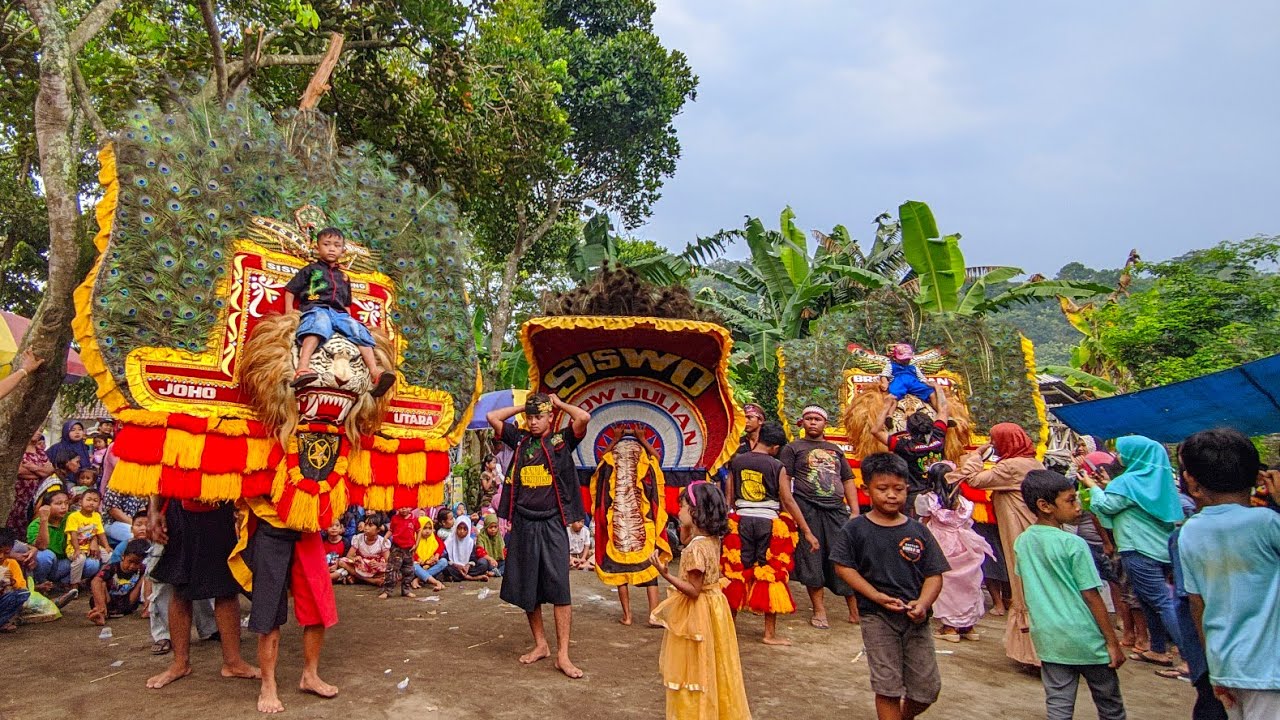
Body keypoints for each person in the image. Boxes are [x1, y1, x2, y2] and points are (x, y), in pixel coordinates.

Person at [832, 452, 949, 720]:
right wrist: (875, 596)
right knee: (888, 687)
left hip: (915, 619)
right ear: (867, 489)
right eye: (882, 489)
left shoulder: (918, 530)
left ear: (907, 488)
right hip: (877, 617)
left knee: (927, 690)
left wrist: (923, 603)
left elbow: (935, 574)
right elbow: (843, 567)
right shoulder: (856, 529)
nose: (891, 495)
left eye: (898, 489)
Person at [487, 392, 591, 679]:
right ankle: (541, 645)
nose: (533, 422)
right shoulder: (519, 440)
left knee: (560, 587)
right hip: (523, 522)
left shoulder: (561, 441)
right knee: (527, 586)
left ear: (549, 418)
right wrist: (526, 404)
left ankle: (563, 655)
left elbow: (582, 417)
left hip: (552, 524)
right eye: (530, 417)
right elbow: (492, 418)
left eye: (539, 417)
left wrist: (557, 404)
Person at [1178, 428, 1280, 720]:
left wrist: (1213, 664)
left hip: (1225, 663)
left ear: (1192, 483)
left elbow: (1197, 604)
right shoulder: (1267, 522)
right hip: (1269, 668)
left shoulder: (1190, 531)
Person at [1015, 469, 1127, 720]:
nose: (1077, 507)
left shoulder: (1023, 541)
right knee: (1110, 705)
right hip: (1086, 636)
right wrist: (1111, 641)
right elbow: (1091, 595)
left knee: (1058, 705)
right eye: (1070, 500)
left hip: (1049, 636)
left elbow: (1027, 586)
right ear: (1045, 506)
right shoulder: (1073, 544)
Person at [649, 481, 751, 720]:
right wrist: (688, 527)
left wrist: (666, 574)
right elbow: (687, 542)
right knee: (715, 663)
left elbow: (694, 590)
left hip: (697, 610)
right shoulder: (711, 539)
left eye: (683, 506)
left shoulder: (695, 549)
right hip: (714, 606)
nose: (679, 511)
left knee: (694, 668)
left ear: (695, 512)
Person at [1079, 436, 1183, 667]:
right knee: (1148, 601)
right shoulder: (1159, 480)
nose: (1118, 457)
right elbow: (1133, 503)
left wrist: (1094, 488)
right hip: (1160, 547)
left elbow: (1105, 506)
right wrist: (1108, 487)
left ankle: (1189, 658)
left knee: (1159, 601)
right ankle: (1157, 649)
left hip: (1137, 547)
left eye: (1122, 453)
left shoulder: (1127, 482)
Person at [946, 422, 1045, 666]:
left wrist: (975, 455)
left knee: (1023, 583)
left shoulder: (1011, 467)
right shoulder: (1033, 463)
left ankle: (1033, 651)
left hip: (1018, 529)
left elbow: (972, 479)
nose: (993, 443)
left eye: (994, 439)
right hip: (1031, 529)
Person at [236, 496, 341, 714]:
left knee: (317, 605)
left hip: (307, 527)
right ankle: (268, 684)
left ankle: (310, 675)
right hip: (270, 527)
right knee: (268, 611)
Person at [144, 496, 259, 690]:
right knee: (180, 587)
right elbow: (160, 472)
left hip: (219, 509)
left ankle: (233, 662)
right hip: (179, 511)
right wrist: (153, 511)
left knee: (226, 587)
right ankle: (180, 664)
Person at [723, 421, 818, 645]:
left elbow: (728, 497)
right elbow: (787, 500)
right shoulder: (777, 466)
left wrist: (726, 522)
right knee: (770, 573)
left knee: (736, 572)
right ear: (775, 447)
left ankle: (729, 630)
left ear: (757, 439)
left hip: (740, 521)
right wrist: (806, 531)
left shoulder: (737, 461)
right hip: (769, 524)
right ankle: (769, 634)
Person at [284, 226, 394, 397]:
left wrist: (349, 321)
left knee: (359, 331)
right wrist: (289, 312)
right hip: (317, 308)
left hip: (340, 313)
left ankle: (375, 372)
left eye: (336, 245)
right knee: (318, 324)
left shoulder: (344, 277)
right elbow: (290, 290)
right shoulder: (310, 270)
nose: (331, 248)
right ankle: (303, 368)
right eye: (327, 244)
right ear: (317, 248)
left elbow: (347, 303)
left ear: (343, 250)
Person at [780, 405, 861, 628]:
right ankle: (819, 611)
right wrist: (789, 509)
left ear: (825, 423)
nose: (813, 422)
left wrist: (854, 511)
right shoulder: (793, 448)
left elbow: (847, 480)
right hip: (807, 509)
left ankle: (855, 611)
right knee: (812, 559)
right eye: (809, 419)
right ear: (802, 423)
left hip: (836, 510)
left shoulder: (835, 449)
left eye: (817, 419)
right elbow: (785, 480)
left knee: (844, 558)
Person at [590, 426, 668, 626]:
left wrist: (614, 439)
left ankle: (628, 616)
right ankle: (653, 615)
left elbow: (600, 464)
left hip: (617, 522)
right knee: (649, 571)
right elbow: (657, 460)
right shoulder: (643, 458)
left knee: (619, 572)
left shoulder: (610, 460)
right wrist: (643, 439)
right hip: (640, 521)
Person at [917, 462, 993, 642]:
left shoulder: (929, 500)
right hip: (965, 543)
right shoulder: (965, 503)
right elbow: (967, 523)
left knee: (946, 585)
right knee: (968, 583)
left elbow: (924, 523)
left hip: (940, 542)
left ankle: (950, 627)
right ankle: (968, 626)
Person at [874, 392, 950, 511]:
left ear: (908, 430)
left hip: (914, 497)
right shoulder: (938, 437)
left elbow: (876, 431)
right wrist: (937, 387)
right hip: (940, 493)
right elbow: (944, 409)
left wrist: (886, 405)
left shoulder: (904, 446)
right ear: (931, 425)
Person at [27, 489, 98, 587]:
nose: (64, 507)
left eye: (66, 503)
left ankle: (65, 583)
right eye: (58, 503)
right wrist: (44, 520)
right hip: (49, 564)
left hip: (68, 561)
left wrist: (94, 540)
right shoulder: (35, 525)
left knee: (92, 564)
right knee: (45, 556)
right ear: (47, 507)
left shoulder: (72, 517)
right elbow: (42, 546)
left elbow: (92, 528)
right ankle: (42, 584)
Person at [88, 538, 150, 625]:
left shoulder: (142, 569)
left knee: (147, 576)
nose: (132, 566)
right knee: (101, 582)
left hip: (128, 603)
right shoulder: (112, 567)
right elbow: (95, 581)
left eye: (136, 563)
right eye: (130, 561)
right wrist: (101, 606)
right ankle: (101, 613)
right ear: (123, 556)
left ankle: (147, 609)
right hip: (108, 603)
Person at [878, 343, 942, 413]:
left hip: (913, 382)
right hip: (899, 382)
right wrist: (885, 382)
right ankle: (889, 415)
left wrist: (927, 383)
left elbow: (921, 378)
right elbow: (884, 375)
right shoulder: (891, 366)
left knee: (931, 393)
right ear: (894, 358)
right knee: (892, 396)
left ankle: (940, 411)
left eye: (907, 359)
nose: (906, 361)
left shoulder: (913, 368)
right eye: (903, 359)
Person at [8, 432, 52, 531]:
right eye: (36, 429)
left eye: (40, 430)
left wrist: (32, 467)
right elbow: (19, 471)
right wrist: (40, 472)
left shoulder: (40, 452)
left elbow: (49, 471)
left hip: (35, 495)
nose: (39, 432)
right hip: (18, 495)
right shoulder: (17, 451)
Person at [379, 507, 418, 599]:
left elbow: (418, 531)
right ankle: (387, 591)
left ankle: (406, 590)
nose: (404, 509)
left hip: (409, 548)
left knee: (409, 570)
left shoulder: (414, 519)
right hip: (397, 547)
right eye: (401, 507)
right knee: (391, 569)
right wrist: (385, 537)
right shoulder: (395, 518)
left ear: (410, 508)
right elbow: (391, 530)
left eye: (406, 507)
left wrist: (416, 544)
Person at [339, 519, 389, 586]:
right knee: (341, 562)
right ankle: (371, 581)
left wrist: (379, 564)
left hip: (374, 567)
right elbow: (349, 556)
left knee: (393, 572)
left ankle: (358, 578)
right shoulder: (358, 538)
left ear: (378, 530)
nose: (366, 527)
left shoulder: (382, 541)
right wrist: (355, 558)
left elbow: (388, 561)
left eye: (370, 525)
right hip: (361, 565)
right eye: (365, 524)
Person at [443, 515, 494, 581]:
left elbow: (473, 558)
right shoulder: (449, 541)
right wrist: (457, 566)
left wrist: (468, 565)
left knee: (484, 563)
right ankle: (472, 577)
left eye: (465, 529)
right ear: (456, 528)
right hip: (454, 567)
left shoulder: (470, 542)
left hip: (467, 568)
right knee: (445, 567)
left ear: (469, 530)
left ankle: (460, 576)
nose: (462, 531)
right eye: (459, 528)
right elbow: (445, 558)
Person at [0, 529, 31, 633]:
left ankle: (3, 621)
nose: (1, 556)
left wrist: (12, 581)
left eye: (6, 552)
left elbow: (21, 585)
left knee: (23, 594)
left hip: (5, 599)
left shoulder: (11, 563)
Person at [412, 517, 447, 591]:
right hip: (419, 564)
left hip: (430, 564)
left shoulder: (433, 537)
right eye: (424, 528)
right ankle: (436, 582)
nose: (427, 531)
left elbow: (441, 545)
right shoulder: (413, 537)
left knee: (444, 561)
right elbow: (411, 553)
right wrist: (423, 561)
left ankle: (418, 579)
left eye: (430, 528)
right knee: (413, 565)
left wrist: (436, 556)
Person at [476, 513, 506, 577]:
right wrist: (490, 559)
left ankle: (495, 572)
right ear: (486, 526)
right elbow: (479, 552)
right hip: (488, 561)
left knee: (509, 563)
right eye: (490, 527)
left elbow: (503, 552)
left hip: (497, 562)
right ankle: (496, 571)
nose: (493, 529)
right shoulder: (481, 536)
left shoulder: (499, 536)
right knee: (482, 563)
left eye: (495, 527)